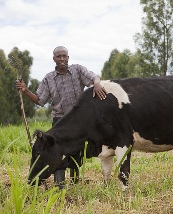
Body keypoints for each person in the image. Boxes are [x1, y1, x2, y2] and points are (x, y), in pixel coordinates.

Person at [16, 46, 107, 189]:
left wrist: (96, 83)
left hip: (78, 122)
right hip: (59, 121)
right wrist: (25, 90)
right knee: (56, 152)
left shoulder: (77, 70)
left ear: (68, 57)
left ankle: (75, 181)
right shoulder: (48, 78)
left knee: (77, 151)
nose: (62, 59)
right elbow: (40, 100)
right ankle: (60, 185)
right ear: (54, 59)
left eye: (64, 56)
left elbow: (93, 76)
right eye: (59, 56)